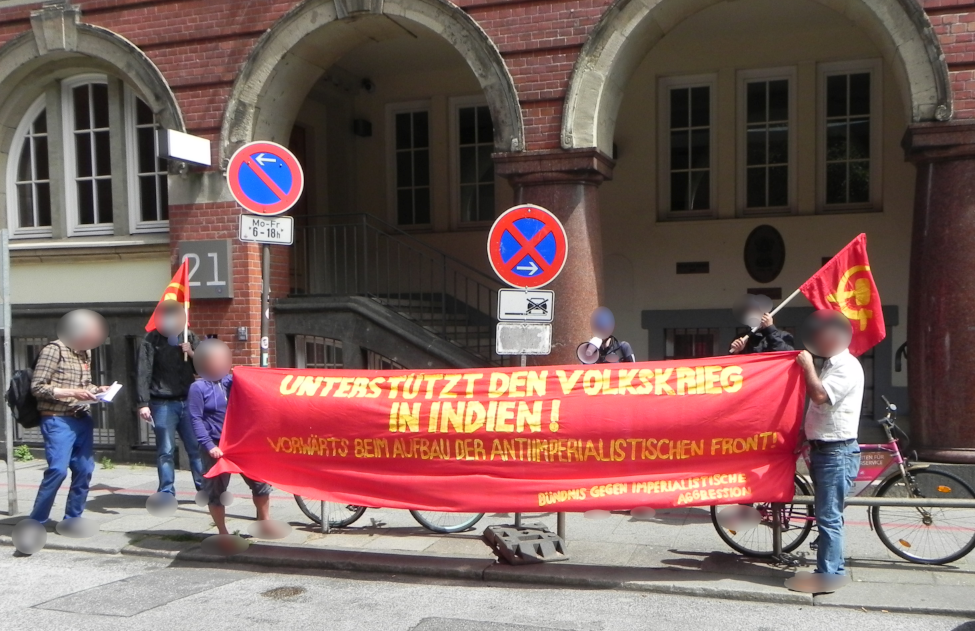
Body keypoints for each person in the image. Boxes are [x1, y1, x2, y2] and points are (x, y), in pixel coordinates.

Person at [795, 311, 863, 580]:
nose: (816, 339)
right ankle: (834, 569)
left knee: (828, 517)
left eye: (820, 334)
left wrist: (808, 366)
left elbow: (821, 396)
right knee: (829, 515)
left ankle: (827, 575)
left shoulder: (846, 366)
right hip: (825, 450)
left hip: (836, 452)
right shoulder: (833, 365)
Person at [29, 310, 111, 525]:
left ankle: (73, 518)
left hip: (82, 418)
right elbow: (37, 387)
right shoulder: (54, 350)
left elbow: (84, 385)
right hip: (57, 419)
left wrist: (98, 390)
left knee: (84, 470)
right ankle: (37, 520)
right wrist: (73, 392)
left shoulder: (86, 353)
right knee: (57, 470)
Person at [188, 339, 272, 534]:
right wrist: (209, 445)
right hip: (216, 445)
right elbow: (195, 419)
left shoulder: (230, 382)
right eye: (214, 361)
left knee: (260, 483)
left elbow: (254, 388)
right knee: (215, 491)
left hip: (239, 443)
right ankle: (223, 532)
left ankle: (265, 522)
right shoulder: (198, 388)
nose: (219, 365)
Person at [137, 301, 204, 496]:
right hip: (162, 402)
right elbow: (143, 372)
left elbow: (204, 367)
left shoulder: (189, 336)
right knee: (165, 450)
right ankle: (166, 490)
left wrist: (191, 352)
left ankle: (204, 488)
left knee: (196, 448)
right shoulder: (151, 340)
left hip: (188, 401)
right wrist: (143, 403)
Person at [729, 312, 794, 354]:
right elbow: (733, 364)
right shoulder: (743, 338)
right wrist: (737, 352)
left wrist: (770, 329)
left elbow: (788, 355)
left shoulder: (784, 335)